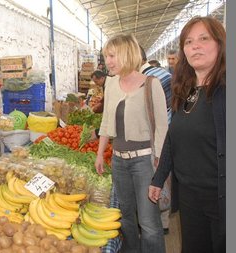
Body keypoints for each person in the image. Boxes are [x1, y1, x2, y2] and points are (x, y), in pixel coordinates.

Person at [148, 16, 226, 253]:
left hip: (220, 199)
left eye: (204, 38)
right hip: (190, 197)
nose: (195, 46)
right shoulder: (188, 92)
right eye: (189, 41)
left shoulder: (225, 92)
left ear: (220, 44)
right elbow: (174, 137)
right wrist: (159, 178)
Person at [95, 33, 167, 253]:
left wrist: (159, 165)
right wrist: (100, 154)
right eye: (106, 56)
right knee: (126, 218)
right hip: (118, 161)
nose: (108, 61)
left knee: (148, 223)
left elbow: (163, 128)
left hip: (144, 162)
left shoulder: (150, 84)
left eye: (112, 55)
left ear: (127, 54)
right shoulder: (111, 83)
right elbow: (107, 121)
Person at [139, 46, 173, 235]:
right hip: (170, 125)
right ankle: (164, 223)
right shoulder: (161, 72)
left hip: (161, 133)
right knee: (164, 179)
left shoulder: (149, 79)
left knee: (160, 178)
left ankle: (160, 222)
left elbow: (154, 115)